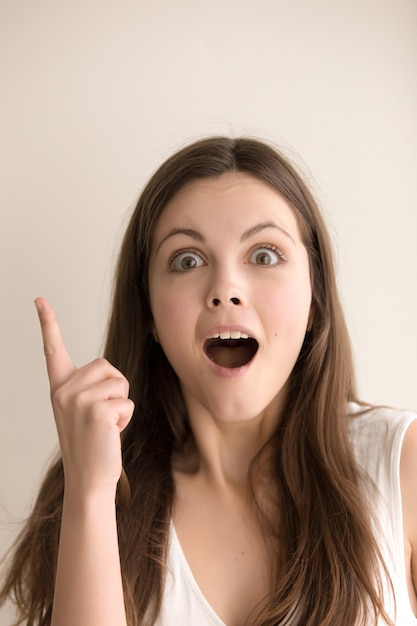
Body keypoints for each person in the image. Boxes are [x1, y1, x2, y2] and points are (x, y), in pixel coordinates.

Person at [1, 136, 416, 626]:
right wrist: (89, 494)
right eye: (187, 260)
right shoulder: (98, 490)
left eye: (264, 255)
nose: (225, 290)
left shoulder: (400, 465)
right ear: (150, 312)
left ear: (314, 299)